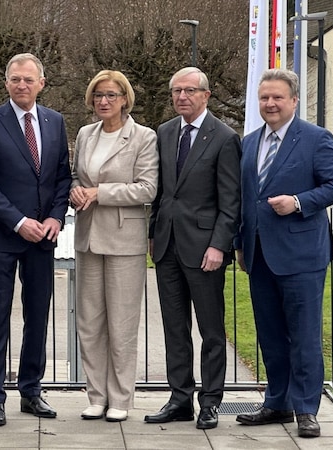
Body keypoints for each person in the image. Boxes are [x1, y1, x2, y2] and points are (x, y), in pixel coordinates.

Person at [234, 68, 333, 438]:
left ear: (294, 101)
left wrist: (298, 201)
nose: (270, 103)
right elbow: (244, 201)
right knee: (270, 334)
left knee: (304, 335)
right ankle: (277, 402)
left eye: (277, 97)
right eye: (264, 97)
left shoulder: (315, 139)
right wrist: (239, 243)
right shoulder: (249, 142)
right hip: (260, 255)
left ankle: (306, 409)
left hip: (301, 257)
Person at [0, 53, 71, 427]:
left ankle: (31, 390)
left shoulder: (55, 121)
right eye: (15, 79)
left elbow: (63, 176)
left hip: (43, 238)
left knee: (37, 317)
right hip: (1, 235)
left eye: (29, 80)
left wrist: (55, 217)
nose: (22, 85)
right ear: (6, 82)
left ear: (41, 83)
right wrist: (18, 221)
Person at [145, 67, 241, 430]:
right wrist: (154, 233)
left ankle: (212, 401)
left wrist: (219, 246)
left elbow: (231, 202)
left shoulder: (225, 137)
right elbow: (162, 192)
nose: (182, 96)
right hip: (167, 246)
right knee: (174, 327)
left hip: (205, 250)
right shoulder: (165, 132)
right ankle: (179, 398)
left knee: (211, 330)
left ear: (206, 94)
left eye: (189, 90)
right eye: (176, 91)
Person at [69, 70, 159, 422]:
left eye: (110, 95)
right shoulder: (85, 134)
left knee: (122, 325)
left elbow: (147, 189)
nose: (103, 102)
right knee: (90, 322)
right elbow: (77, 175)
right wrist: (76, 189)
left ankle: (120, 398)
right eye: (97, 96)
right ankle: (96, 395)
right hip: (88, 237)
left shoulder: (143, 137)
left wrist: (99, 193)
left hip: (124, 240)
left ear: (125, 99)